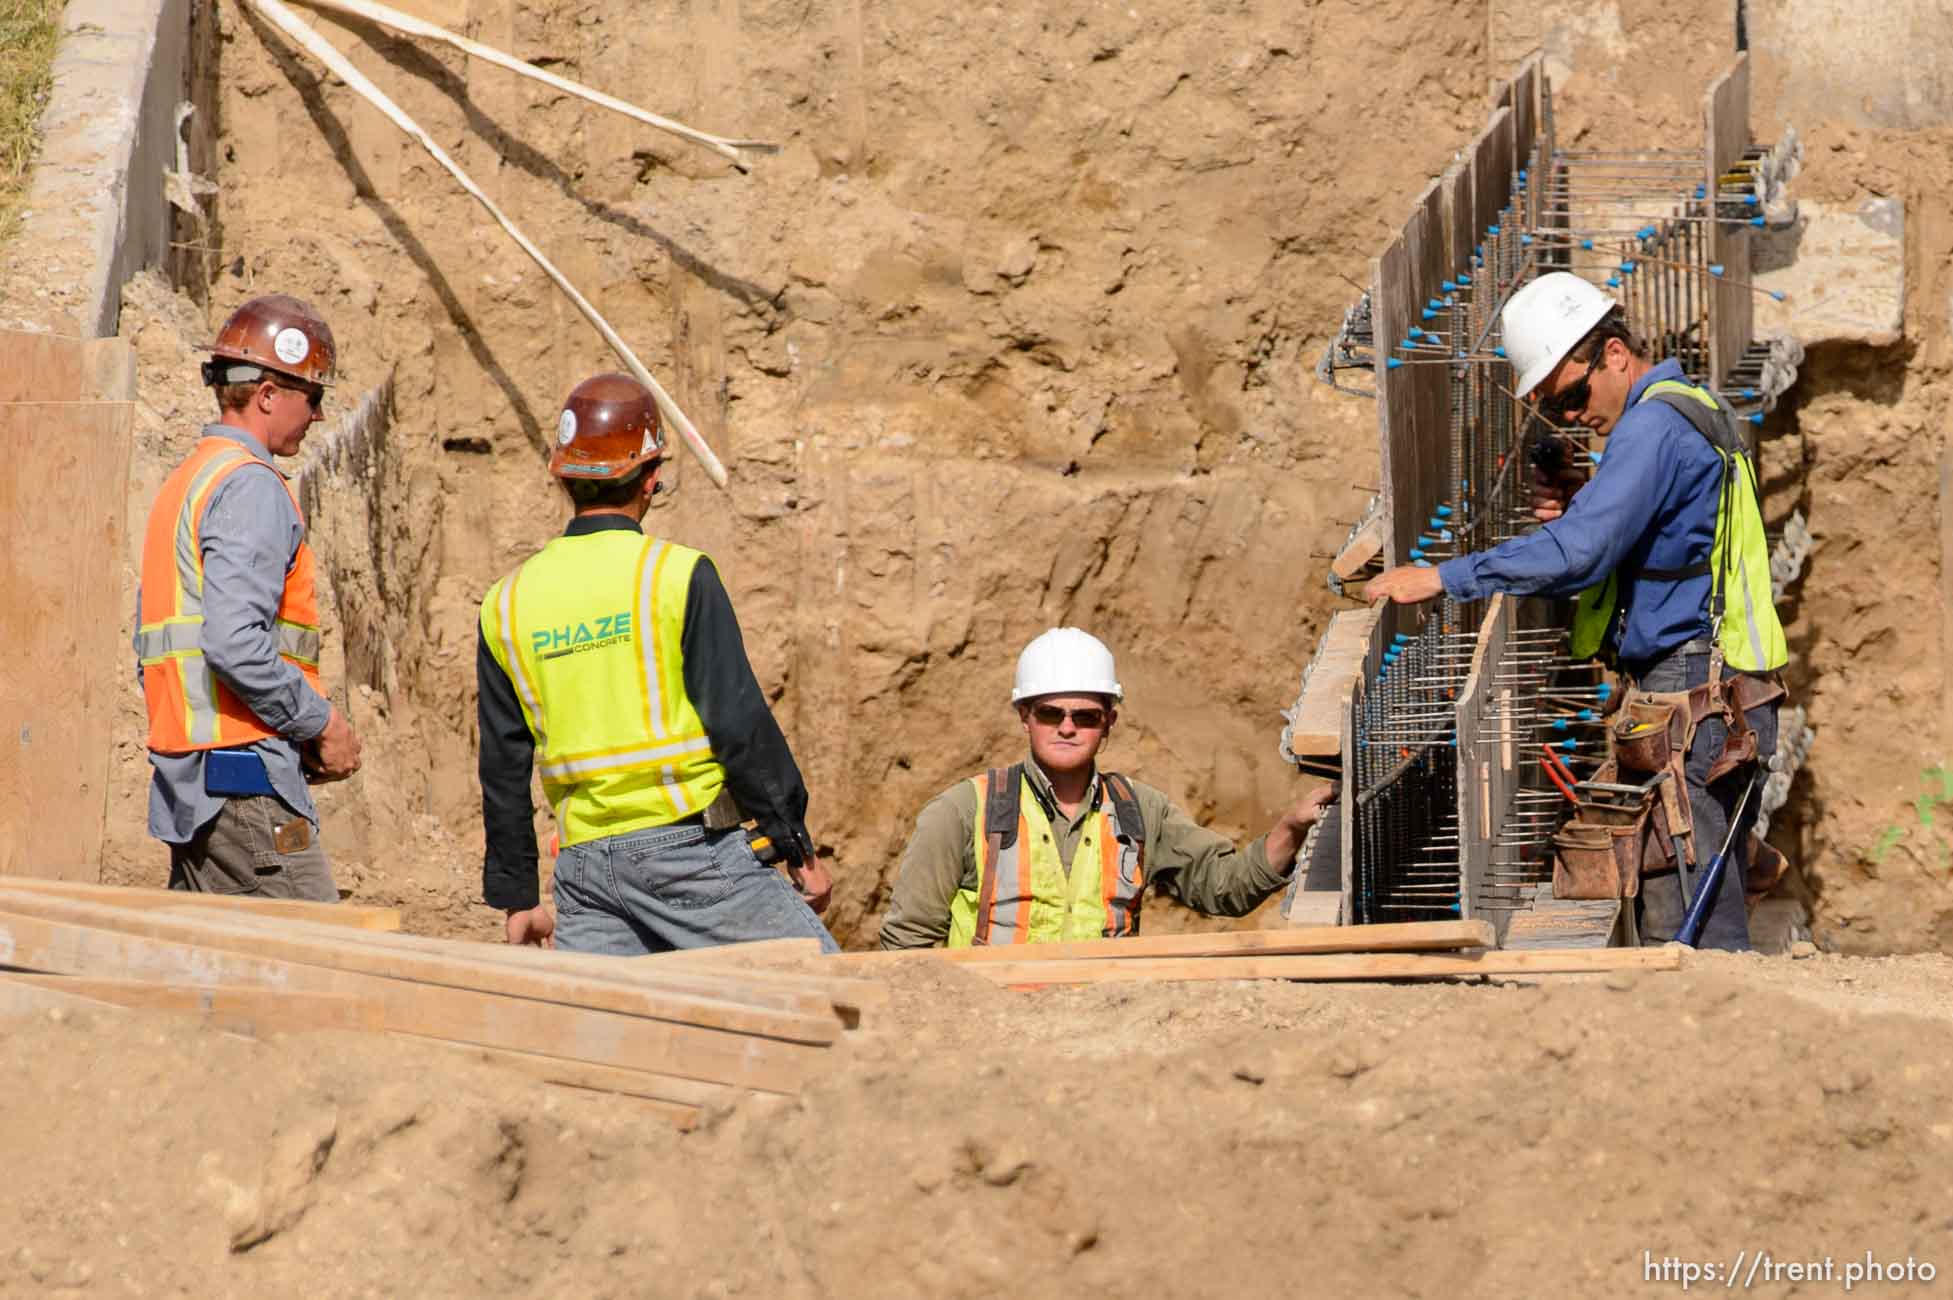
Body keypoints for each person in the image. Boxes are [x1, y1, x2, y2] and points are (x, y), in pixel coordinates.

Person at [1365, 271, 1786, 951]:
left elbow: (1580, 556)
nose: (1569, 417)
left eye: (1570, 395)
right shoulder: (1685, 407)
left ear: (1614, 354)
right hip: (1709, 685)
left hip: (1697, 693)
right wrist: (1589, 496)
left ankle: (1715, 1045)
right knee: (1682, 893)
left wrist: (1444, 577)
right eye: (1554, 409)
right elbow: (1670, 535)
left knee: (1689, 930)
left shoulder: (1650, 427)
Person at [477, 372, 836, 954]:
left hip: (585, 875)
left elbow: (502, 766)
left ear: (566, 479)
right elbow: (739, 724)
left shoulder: (506, 602)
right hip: (688, 855)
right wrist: (795, 845)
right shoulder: (676, 575)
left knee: (611, 1038)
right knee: (830, 1004)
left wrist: (520, 895)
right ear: (651, 479)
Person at [877, 628, 1337, 948]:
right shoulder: (962, 812)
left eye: (1086, 716)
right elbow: (909, 945)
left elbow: (1225, 887)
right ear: (1024, 717)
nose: (1067, 727)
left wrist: (1290, 830)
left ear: (1109, 722)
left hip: (1101, 1037)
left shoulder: (1139, 811)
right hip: (991, 1031)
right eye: (1051, 713)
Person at [135, 294, 363, 900]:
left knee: (215, 986)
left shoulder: (188, 482)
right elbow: (234, 643)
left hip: (196, 783)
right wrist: (320, 722)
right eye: (311, 397)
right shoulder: (250, 488)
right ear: (267, 394)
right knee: (322, 972)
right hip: (244, 787)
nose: (316, 416)